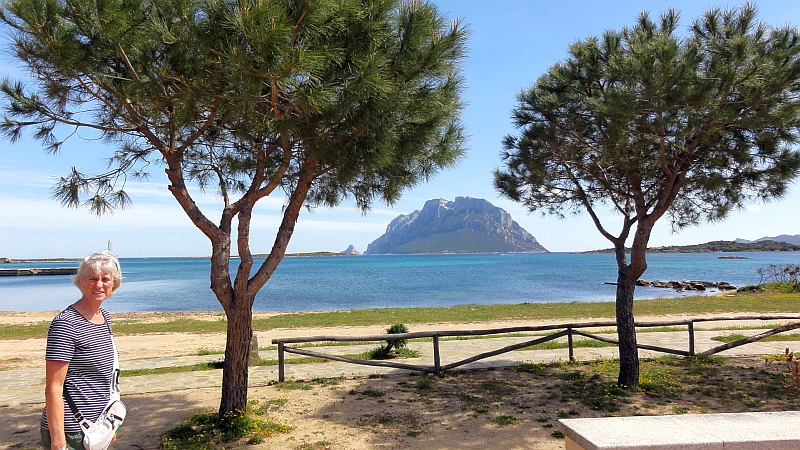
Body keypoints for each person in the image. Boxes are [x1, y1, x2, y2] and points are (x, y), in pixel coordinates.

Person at [40, 251, 123, 450]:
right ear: (81, 282)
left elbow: (105, 377)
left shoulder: (104, 316)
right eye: (93, 279)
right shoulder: (66, 324)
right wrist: (59, 442)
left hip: (99, 426)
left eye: (105, 279)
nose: (99, 285)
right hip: (72, 431)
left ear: (114, 283)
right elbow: (53, 387)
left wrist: (109, 428)